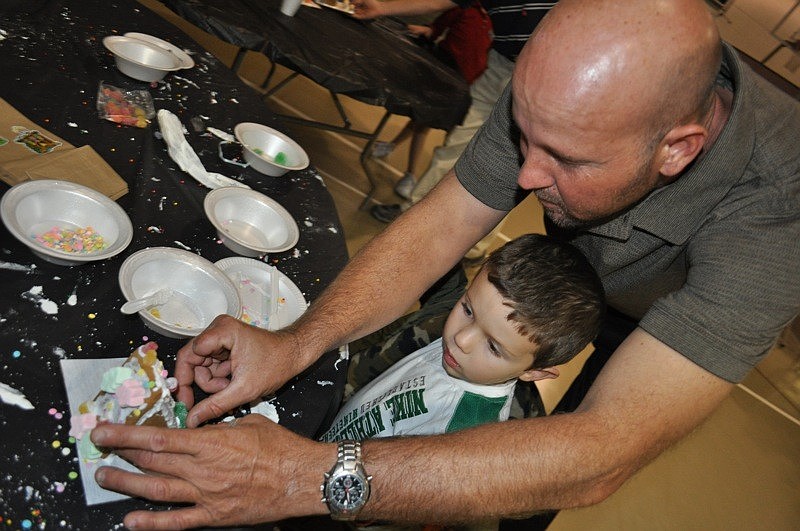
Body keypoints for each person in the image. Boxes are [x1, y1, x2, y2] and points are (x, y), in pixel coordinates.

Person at [91, 1, 800, 529]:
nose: (523, 178)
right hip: (587, 244)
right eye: (526, 138)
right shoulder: (560, 99)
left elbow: (604, 447)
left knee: (546, 466)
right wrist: (298, 341)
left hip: (658, 303)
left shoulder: (776, 212)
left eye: (565, 158)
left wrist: (307, 477)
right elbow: (441, 227)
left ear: (676, 149)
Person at [321, 234, 605, 443]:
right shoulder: (463, 355)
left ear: (533, 373)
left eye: (493, 347)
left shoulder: (462, 433)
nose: (461, 338)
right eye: (468, 309)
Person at [361, 0, 556, 264]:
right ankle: (411, 216)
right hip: (500, 61)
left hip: (543, 74)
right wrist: (383, 8)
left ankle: (473, 248)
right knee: (455, 147)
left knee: (510, 168)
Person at [370, 3, 492, 202]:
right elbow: (439, 27)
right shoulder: (466, 8)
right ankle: (410, 174)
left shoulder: (493, 20)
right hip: (443, 73)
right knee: (423, 122)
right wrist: (429, 30)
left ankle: (391, 146)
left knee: (422, 122)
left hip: (466, 84)